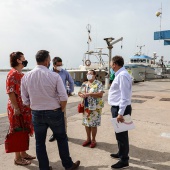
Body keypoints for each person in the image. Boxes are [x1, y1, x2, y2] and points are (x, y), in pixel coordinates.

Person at [21, 50, 80, 170]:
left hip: (37, 113)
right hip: (54, 112)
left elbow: (25, 101)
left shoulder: (26, 77)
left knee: (40, 143)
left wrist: (35, 108)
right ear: (47, 61)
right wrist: (61, 109)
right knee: (61, 139)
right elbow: (63, 97)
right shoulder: (54, 76)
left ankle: (44, 168)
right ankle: (68, 165)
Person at [6, 52, 35, 166]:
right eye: (23, 58)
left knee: (24, 130)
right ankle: (17, 158)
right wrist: (16, 108)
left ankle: (23, 153)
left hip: (24, 108)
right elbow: (10, 92)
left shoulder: (21, 74)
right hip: (17, 108)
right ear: (18, 60)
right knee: (17, 131)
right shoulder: (12, 74)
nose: (25, 59)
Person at [108, 55, 132, 169]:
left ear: (115, 64)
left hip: (120, 108)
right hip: (117, 107)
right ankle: (121, 153)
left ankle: (124, 160)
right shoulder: (120, 74)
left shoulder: (122, 75)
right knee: (119, 133)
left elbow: (125, 97)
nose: (110, 66)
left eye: (111, 64)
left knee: (122, 134)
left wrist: (120, 113)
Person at [49, 56, 74, 142]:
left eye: (61, 65)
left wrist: (70, 91)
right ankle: (54, 134)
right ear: (54, 65)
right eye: (58, 65)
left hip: (62, 98)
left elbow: (71, 82)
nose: (60, 66)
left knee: (63, 116)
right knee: (52, 117)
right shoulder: (49, 72)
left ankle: (64, 134)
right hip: (52, 98)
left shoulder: (64, 73)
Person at [78, 70, 104, 148]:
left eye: (90, 74)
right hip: (86, 107)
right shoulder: (84, 84)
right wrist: (82, 95)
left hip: (95, 107)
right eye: (87, 73)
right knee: (86, 123)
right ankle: (88, 139)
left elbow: (100, 94)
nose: (88, 75)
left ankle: (93, 140)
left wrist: (90, 94)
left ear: (94, 75)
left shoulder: (98, 83)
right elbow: (79, 92)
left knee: (93, 124)